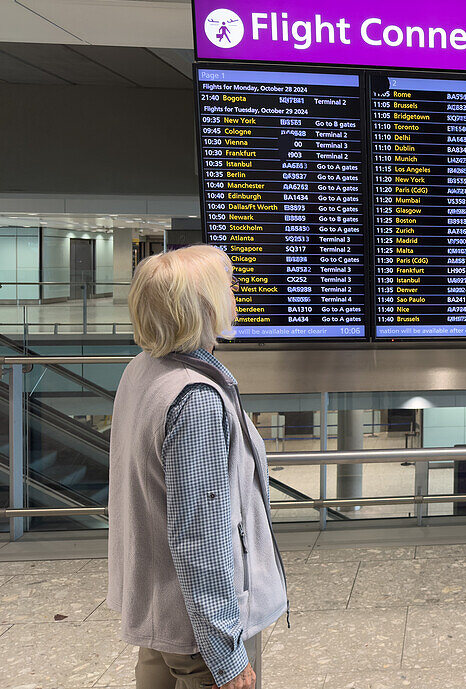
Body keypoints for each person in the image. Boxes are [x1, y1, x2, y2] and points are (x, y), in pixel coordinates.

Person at [107, 245, 287, 689]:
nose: (236, 292)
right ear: (203, 305)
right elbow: (199, 535)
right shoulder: (195, 399)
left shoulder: (142, 371)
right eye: (227, 285)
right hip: (200, 633)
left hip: (159, 611)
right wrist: (225, 652)